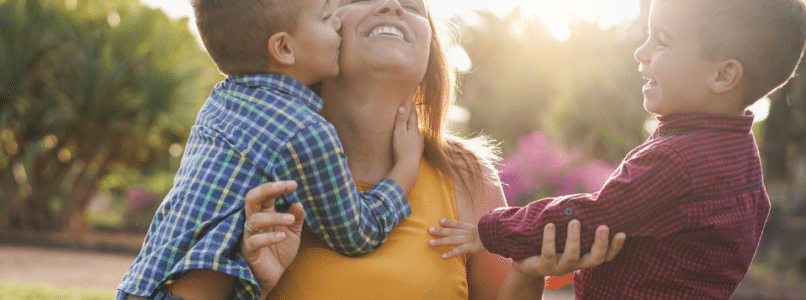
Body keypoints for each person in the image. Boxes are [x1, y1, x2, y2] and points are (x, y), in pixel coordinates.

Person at [430, 0, 806, 298]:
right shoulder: (744, 163)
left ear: (723, 75)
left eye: (661, 41)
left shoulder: (675, 161)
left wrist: (491, 230)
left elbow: (589, 216)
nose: (641, 53)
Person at [261, 0, 626, 299]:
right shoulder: (263, 167)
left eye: (412, 6)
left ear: (430, 56)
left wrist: (527, 276)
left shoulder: (467, 177)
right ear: (309, 36)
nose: (392, 6)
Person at [117, 0, 426, 297]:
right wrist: (406, 167)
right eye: (324, 18)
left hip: (141, 285)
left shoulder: (222, 100)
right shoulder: (304, 131)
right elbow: (358, 233)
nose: (337, 24)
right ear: (284, 48)